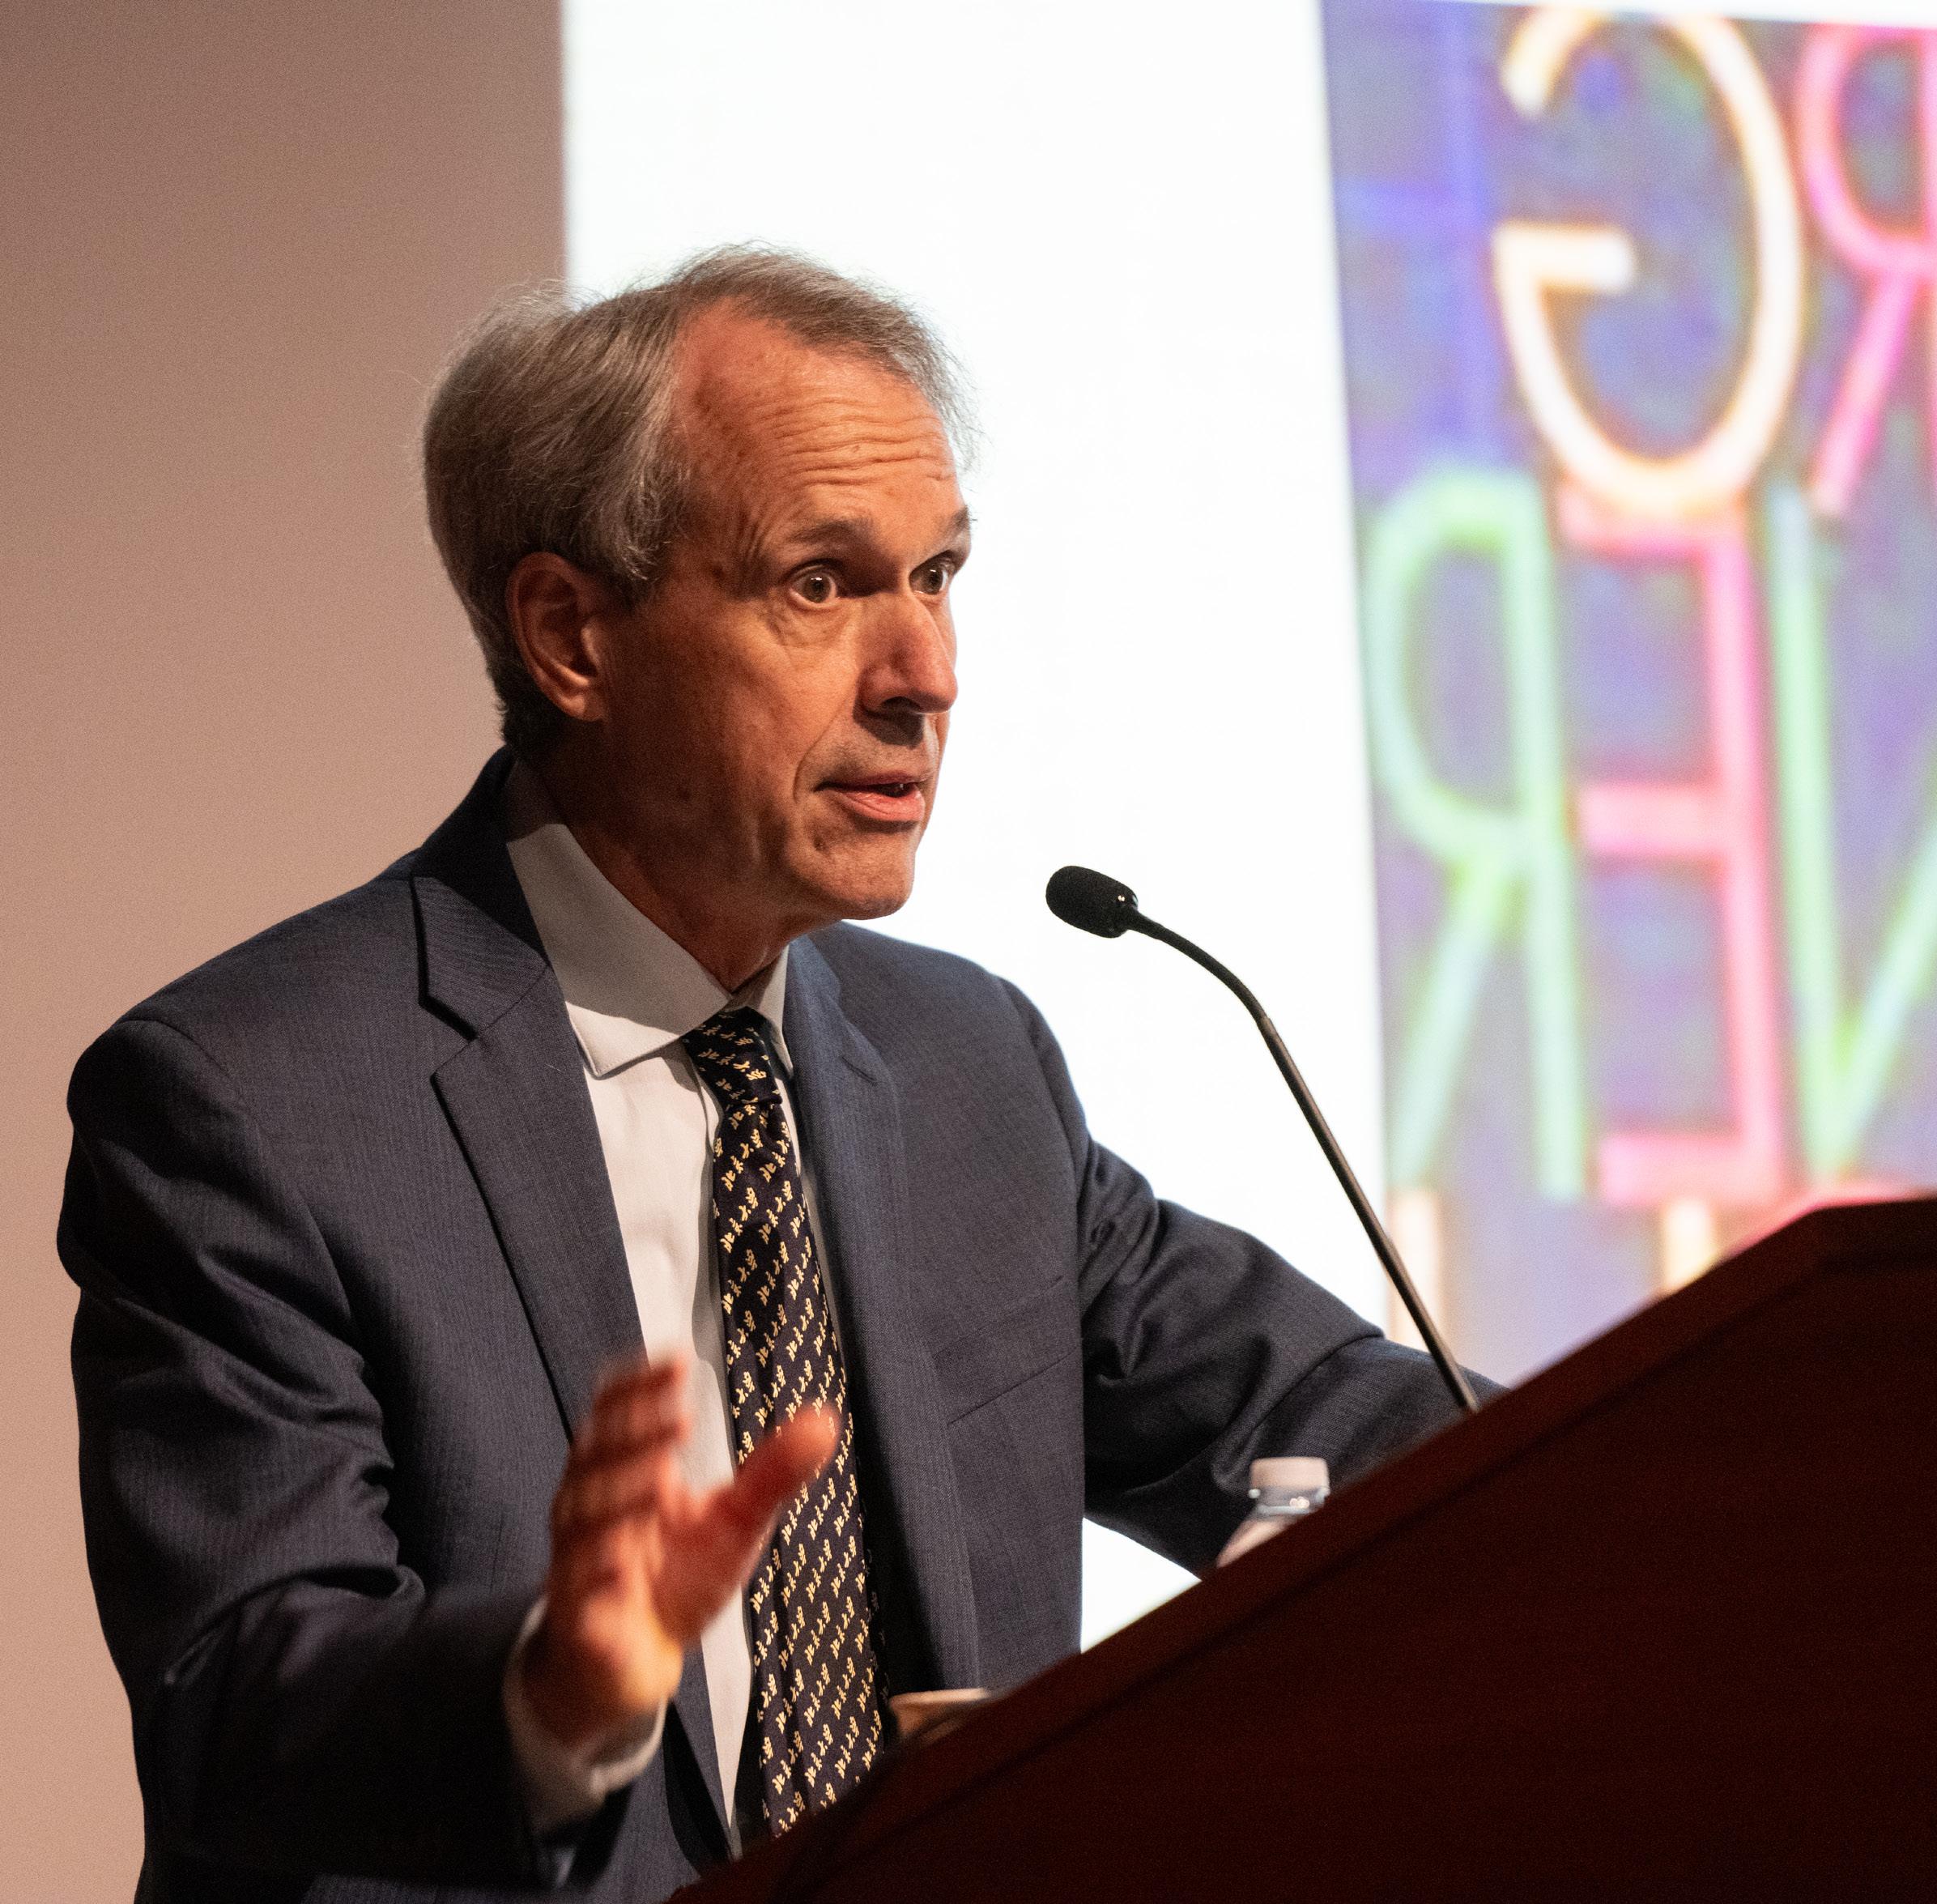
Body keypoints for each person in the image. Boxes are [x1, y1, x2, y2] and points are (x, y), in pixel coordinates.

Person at [61, 247, 1486, 1904]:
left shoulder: (967, 1069)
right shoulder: (255, 1103)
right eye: (821, 583)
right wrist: (546, 1693)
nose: (924, 673)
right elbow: (236, 1705)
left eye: (936, 576)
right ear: (571, 636)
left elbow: (1332, 1426)